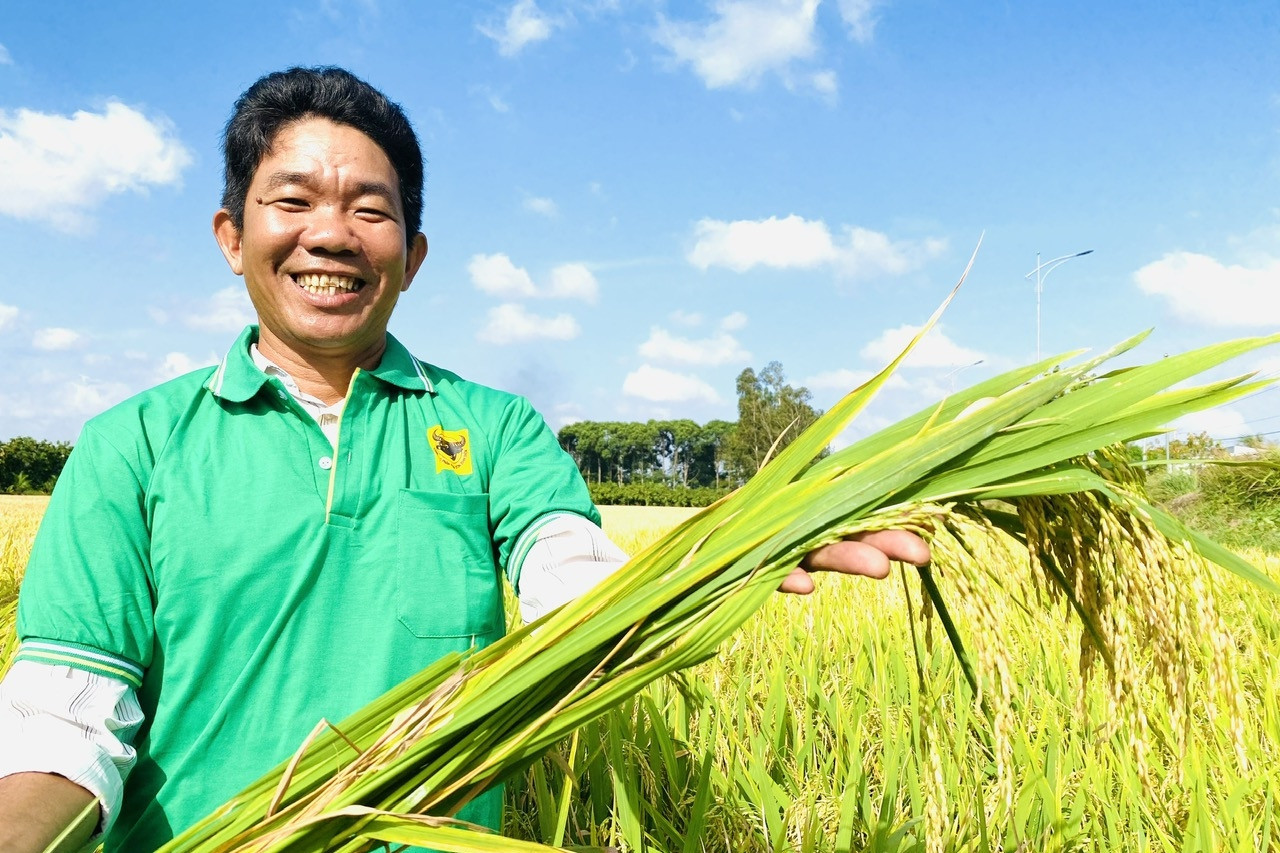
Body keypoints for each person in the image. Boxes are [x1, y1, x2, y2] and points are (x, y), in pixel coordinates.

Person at [0, 66, 929, 852]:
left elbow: (575, 581)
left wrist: (734, 552)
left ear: (414, 254)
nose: (331, 233)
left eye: (372, 209)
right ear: (232, 237)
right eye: (292, 200)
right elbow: (66, 720)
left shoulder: (497, 429)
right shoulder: (135, 444)